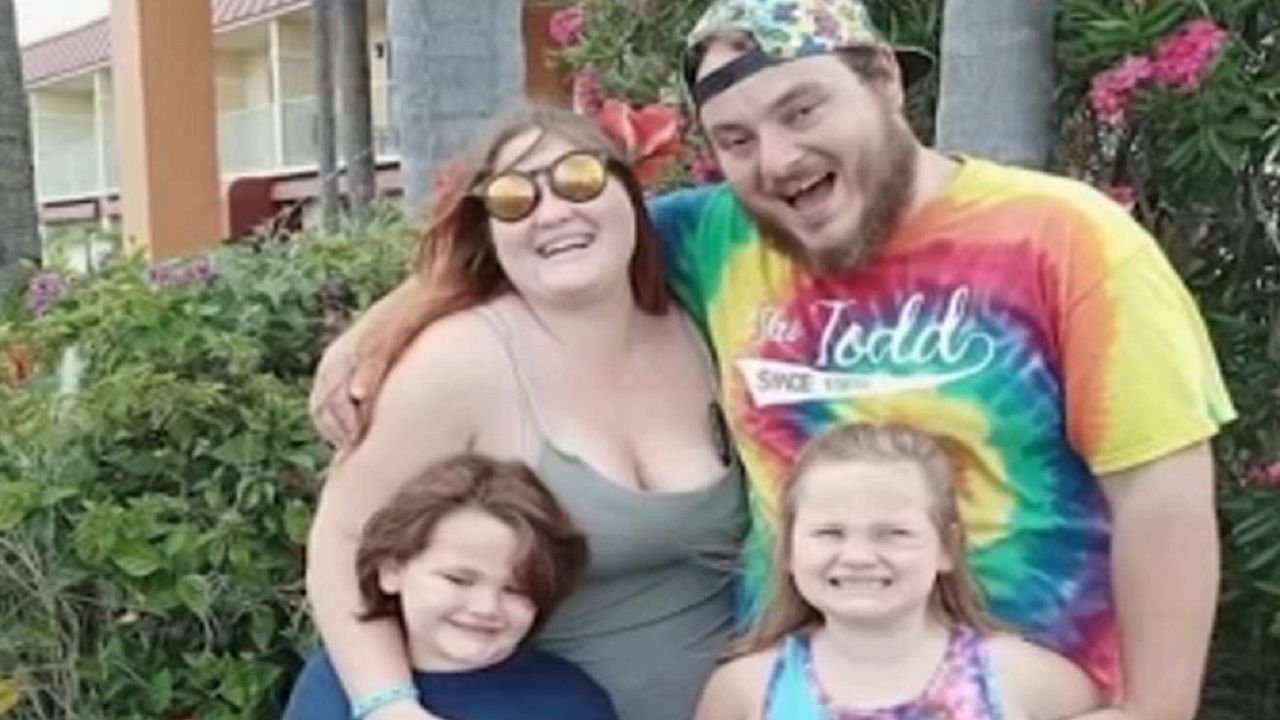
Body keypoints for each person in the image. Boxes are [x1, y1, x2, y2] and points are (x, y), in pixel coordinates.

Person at [310, 0, 1232, 717]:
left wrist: (1153, 711)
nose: (779, 159)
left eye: (802, 109)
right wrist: (397, 314)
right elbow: (558, 236)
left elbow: (1163, 499)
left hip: (1026, 696)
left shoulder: (1066, 240)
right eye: (737, 140)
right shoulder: (725, 236)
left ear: (883, 81)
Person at [304, 106, 746, 720]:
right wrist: (387, 705)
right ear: (489, 229)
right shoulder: (459, 362)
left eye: (579, 178)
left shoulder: (705, 311)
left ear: (630, 193)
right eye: (513, 198)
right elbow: (343, 538)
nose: (553, 211)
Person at [693, 423, 1100, 720]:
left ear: (947, 547)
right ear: (788, 550)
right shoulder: (745, 690)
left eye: (893, 534)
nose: (858, 556)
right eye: (830, 533)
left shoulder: (1029, 682)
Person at [284, 453, 616, 720]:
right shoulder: (334, 678)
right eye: (458, 579)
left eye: (516, 590)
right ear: (391, 570)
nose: (486, 607)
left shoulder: (568, 703)